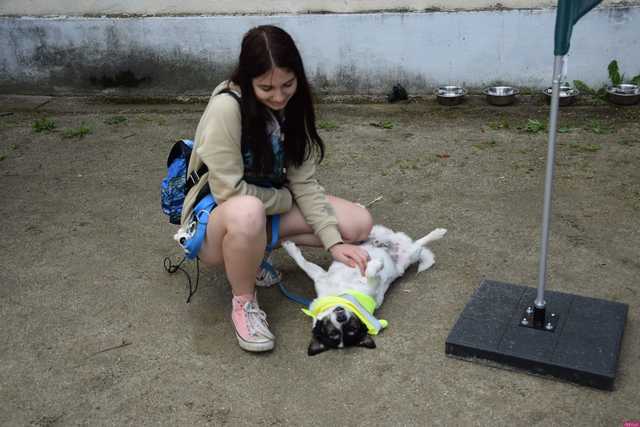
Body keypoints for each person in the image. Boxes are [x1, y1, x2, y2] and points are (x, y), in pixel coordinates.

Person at [177, 25, 373, 352]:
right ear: (246, 80)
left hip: (261, 209)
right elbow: (228, 192)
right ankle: (244, 303)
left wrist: (333, 242)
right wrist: (283, 199)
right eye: (266, 87)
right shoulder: (227, 107)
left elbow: (304, 182)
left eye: (288, 84)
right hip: (216, 223)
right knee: (248, 211)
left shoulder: (294, 105)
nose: (279, 96)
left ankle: (256, 253)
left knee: (359, 224)